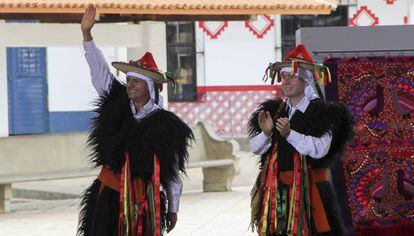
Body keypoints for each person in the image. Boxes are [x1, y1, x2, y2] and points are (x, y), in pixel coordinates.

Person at [77, 4, 194, 236]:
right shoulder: (116, 106)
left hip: (143, 201)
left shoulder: (165, 124)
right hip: (108, 197)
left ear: (149, 87)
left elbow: (171, 171)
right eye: (128, 80)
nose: (129, 85)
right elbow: (99, 73)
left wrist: (173, 208)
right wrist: (87, 35)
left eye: (135, 81)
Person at [248, 45, 354, 236]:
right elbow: (255, 149)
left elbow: (320, 149)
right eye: (283, 77)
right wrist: (265, 133)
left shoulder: (323, 113)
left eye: (292, 77)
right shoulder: (275, 110)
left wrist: (290, 134)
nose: (286, 82)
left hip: (311, 196)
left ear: (306, 81)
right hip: (277, 195)